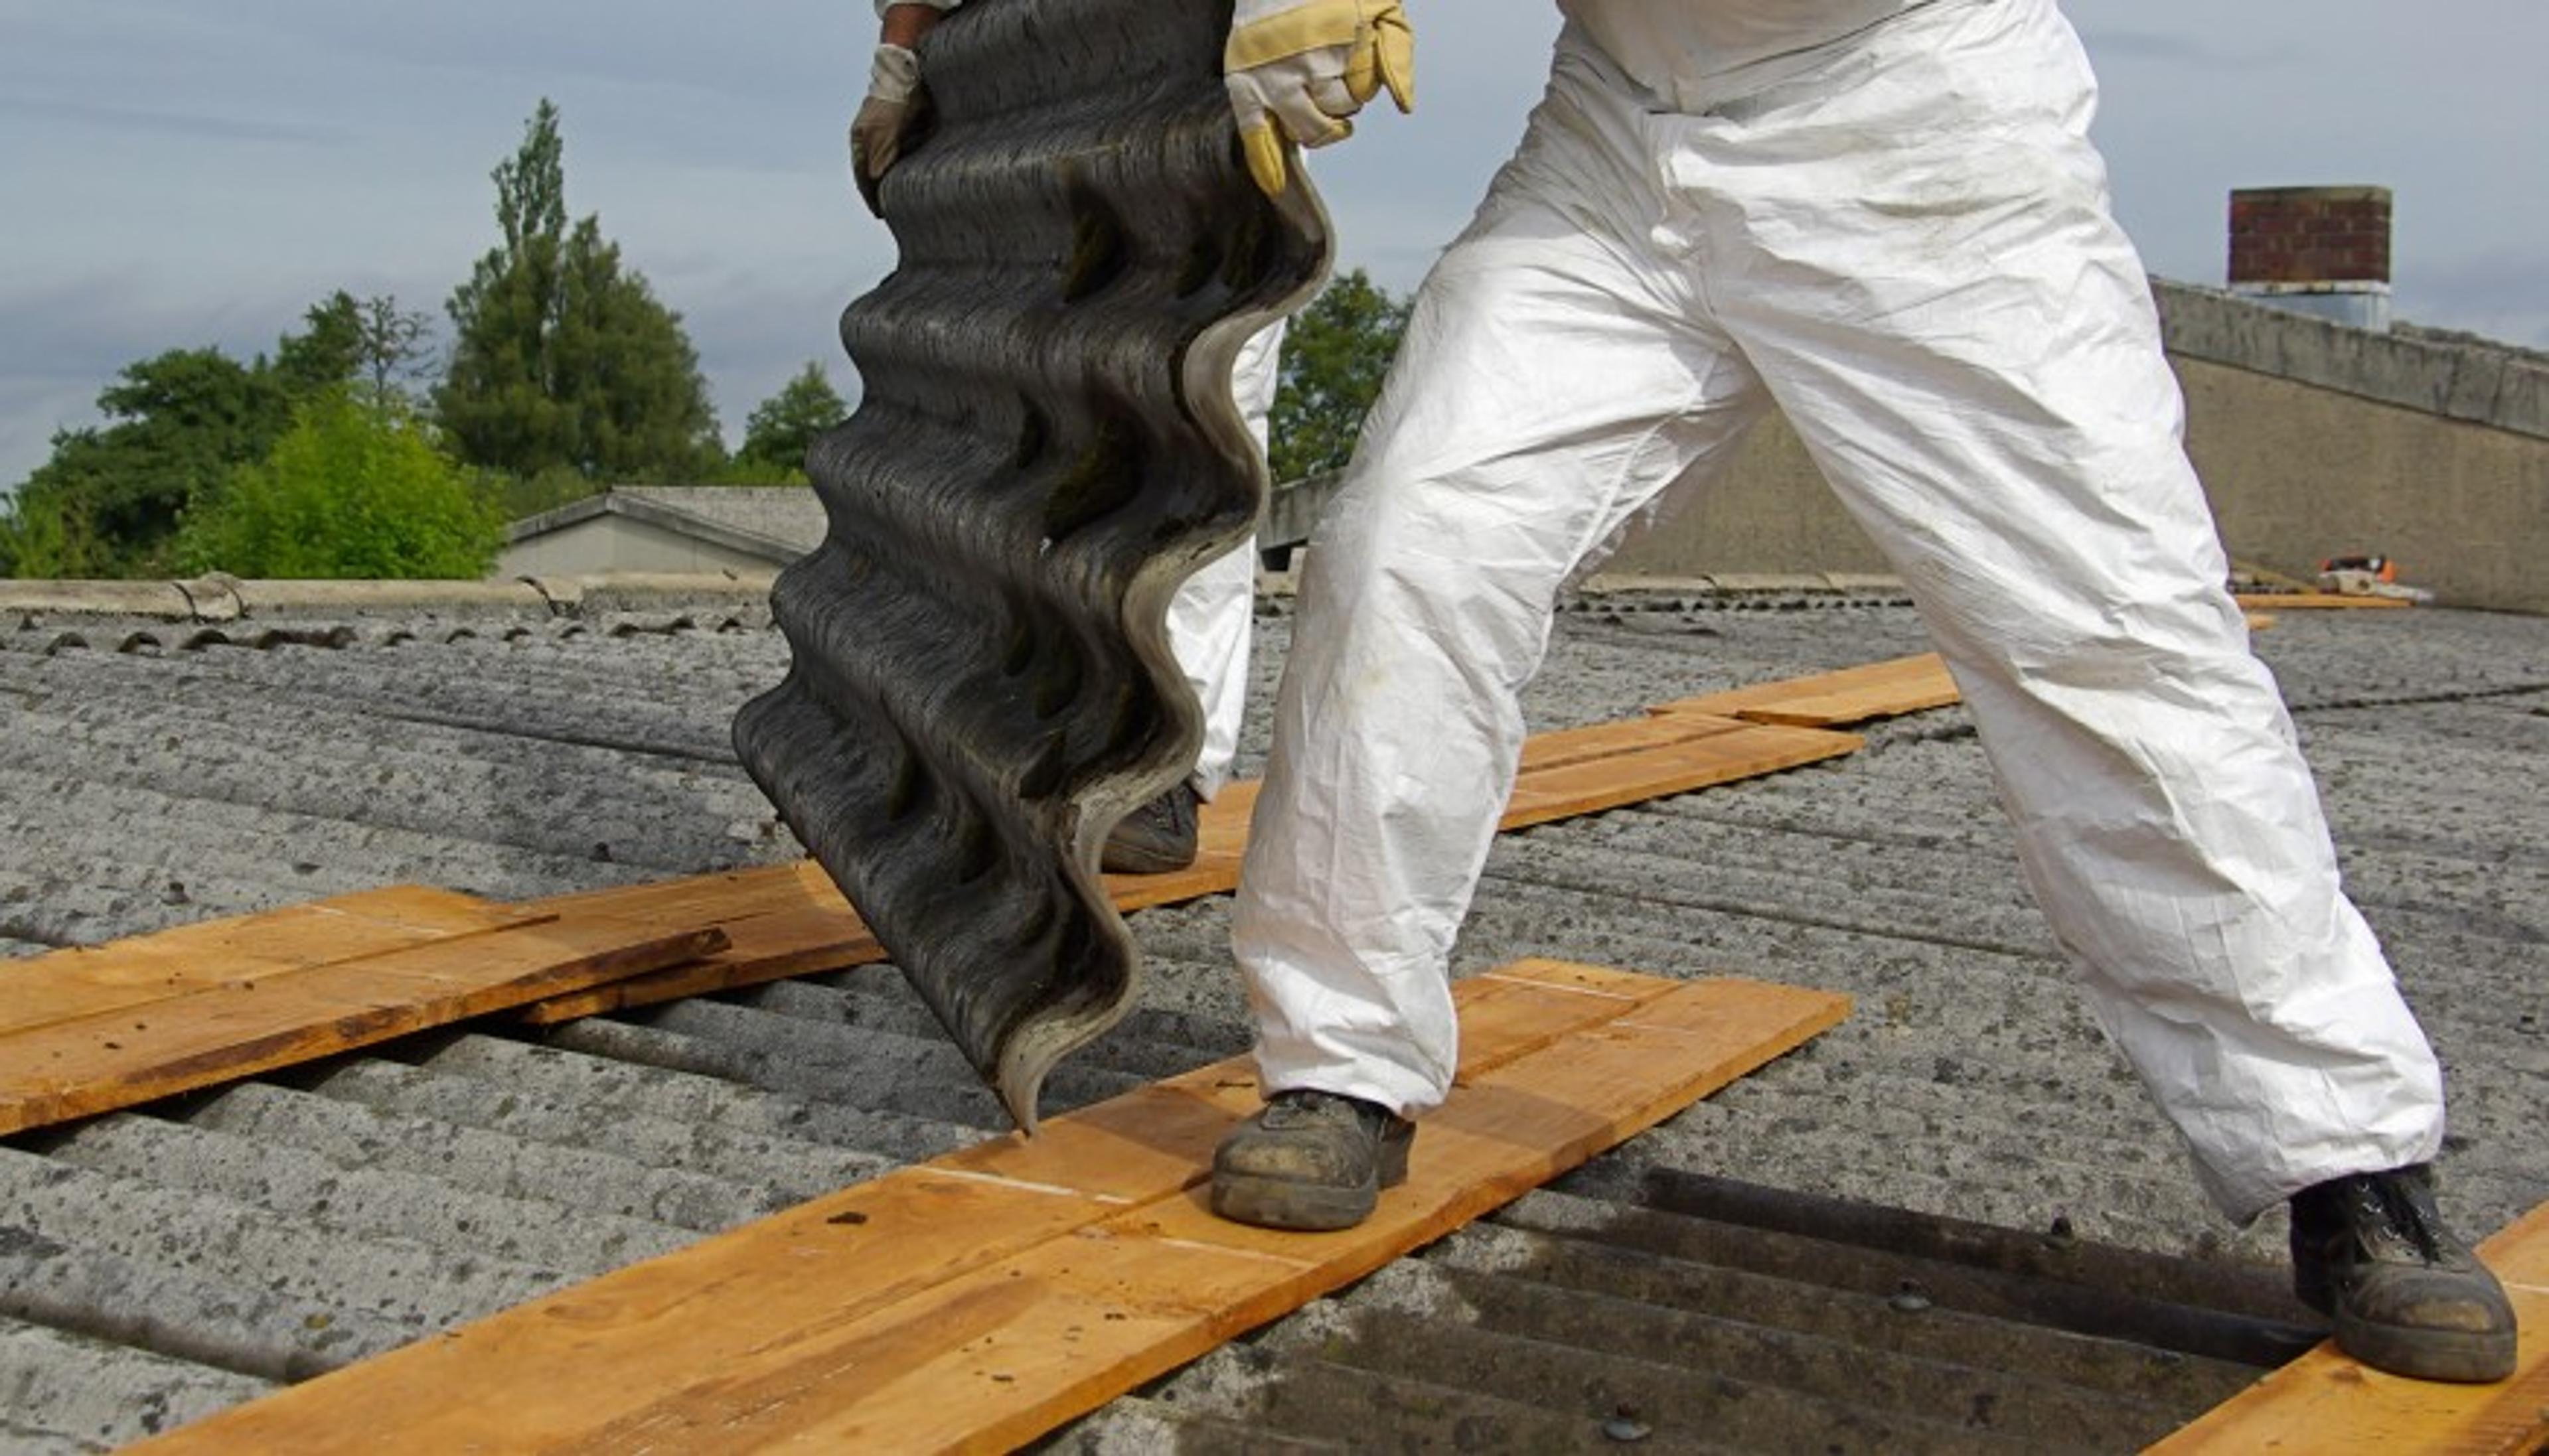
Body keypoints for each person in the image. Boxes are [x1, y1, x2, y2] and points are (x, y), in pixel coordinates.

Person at [1207, 0, 2518, 1386]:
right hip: (1620, 132)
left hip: (1917, 128)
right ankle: (1340, 1063)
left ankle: (2346, 1158)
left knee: (2109, 635)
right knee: (1407, 548)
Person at [850, 1, 1288, 875]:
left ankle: (1166, 764)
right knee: (1032, 397)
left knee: (1199, 407)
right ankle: (1030, 722)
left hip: (1203, 59)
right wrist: (903, 51)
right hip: (1043, 78)